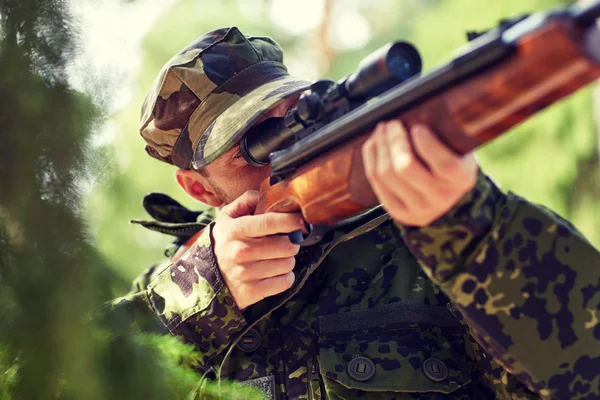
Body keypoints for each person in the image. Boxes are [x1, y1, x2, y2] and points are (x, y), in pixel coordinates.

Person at [115, 26, 600, 399]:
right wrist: (203, 293)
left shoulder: (429, 240)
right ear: (199, 188)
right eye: (253, 143)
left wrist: (473, 229)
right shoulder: (166, 292)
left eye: (297, 111)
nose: (295, 139)